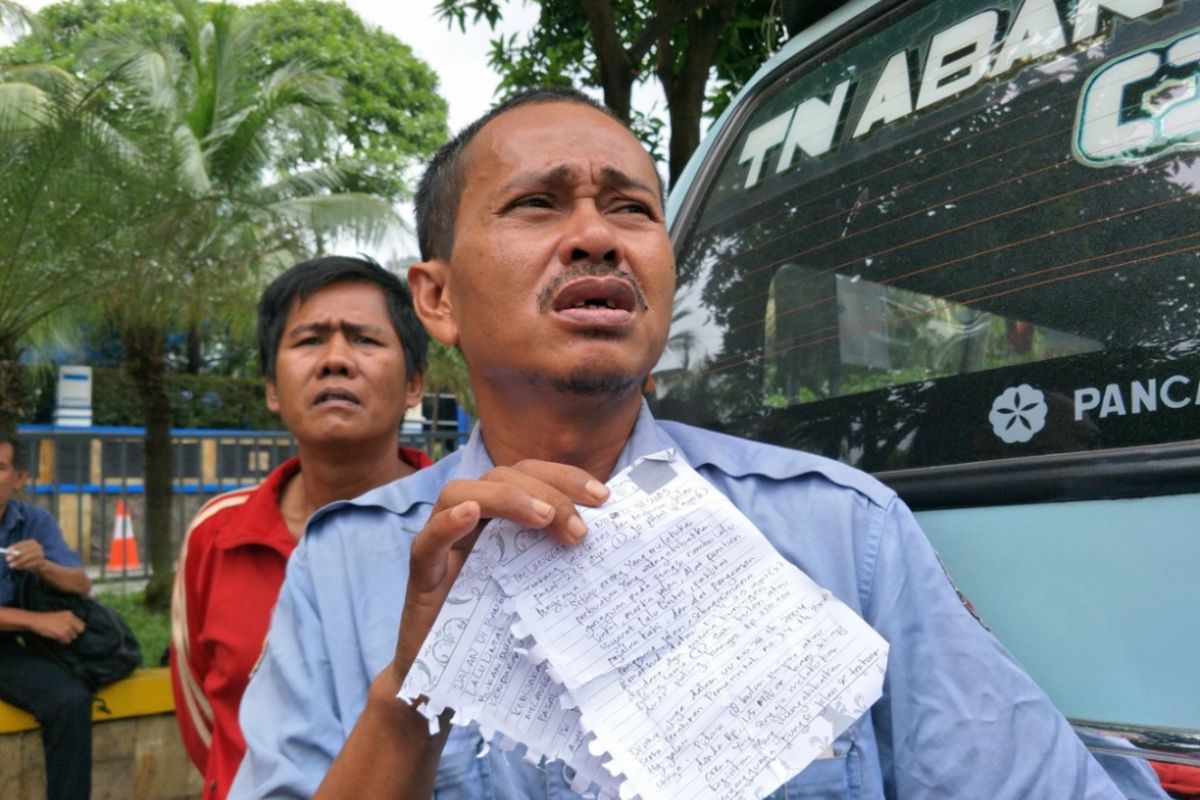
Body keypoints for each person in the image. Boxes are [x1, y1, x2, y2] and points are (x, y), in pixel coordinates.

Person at [230, 89, 1126, 799]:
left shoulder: (845, 536)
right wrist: (411, 703)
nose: (596, 237)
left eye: (631, 209)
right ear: (437, 300)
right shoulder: (343, 571)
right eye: (537, 204)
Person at [170, 255, 432, 800]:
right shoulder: (217, 534)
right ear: (271, 387)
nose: (336, 361)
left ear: (414, 384)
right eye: (310, 340)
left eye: (364, 339)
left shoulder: (462, 532)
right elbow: (207, 720)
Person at [0, 432, 93, 800]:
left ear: (20, 478)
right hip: (20, 628)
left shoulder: (33, 521)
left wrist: (44, 566)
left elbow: (80, 582)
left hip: (5, 647)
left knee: (69, 700)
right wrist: (36, 621)